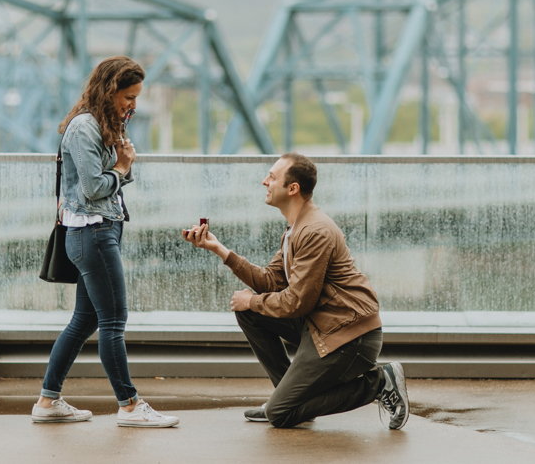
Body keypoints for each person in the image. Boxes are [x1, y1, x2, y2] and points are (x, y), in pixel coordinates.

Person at [181, 152, 408, 430]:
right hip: (323, 324)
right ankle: (290, 399)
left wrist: (252, 300)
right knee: (249, 313)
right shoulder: (294, 229)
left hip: (350, 336)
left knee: (280, 415)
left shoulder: (314, 231)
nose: (265, 181)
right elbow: (269, 281)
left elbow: (297, 301)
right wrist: (220, 250)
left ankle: (379, 382)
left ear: (293, 188)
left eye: (272, 177)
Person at [32, 56, 178, 428]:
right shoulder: (84, 127)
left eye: (136, 97)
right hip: (91, 232)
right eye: (128, 97)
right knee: (114, 320)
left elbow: (102, 182)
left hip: (98, 230)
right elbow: (94, 187)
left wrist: (120, 165)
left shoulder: (100, 124)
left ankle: (48, 402)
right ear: (109, 90)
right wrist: (123, 168)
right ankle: (129, 405)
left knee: (84, 320)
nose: (133, 104)